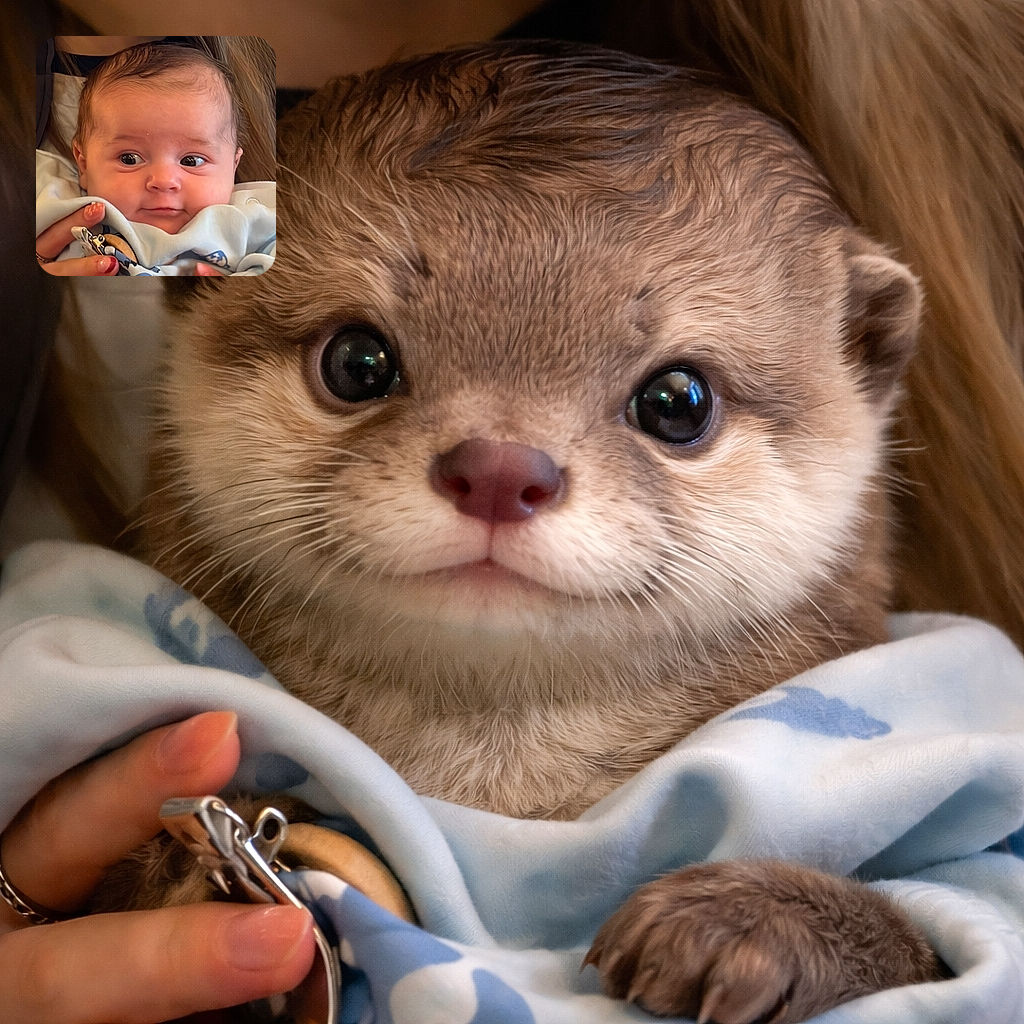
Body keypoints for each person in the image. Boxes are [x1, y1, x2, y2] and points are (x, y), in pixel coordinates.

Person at [1, 0, 1022, 1021]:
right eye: (360, 369)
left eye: (673, 410)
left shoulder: (924, 744)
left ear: (865, 367)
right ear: (190, 306)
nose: (499, 472)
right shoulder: (78, 666)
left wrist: (859, 939)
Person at [36, 40, 275, 276]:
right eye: (129, 158)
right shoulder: (59, 200)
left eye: (191, 161)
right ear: (84, 163)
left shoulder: (246, 221)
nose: (163, 181)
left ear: (233, 165)